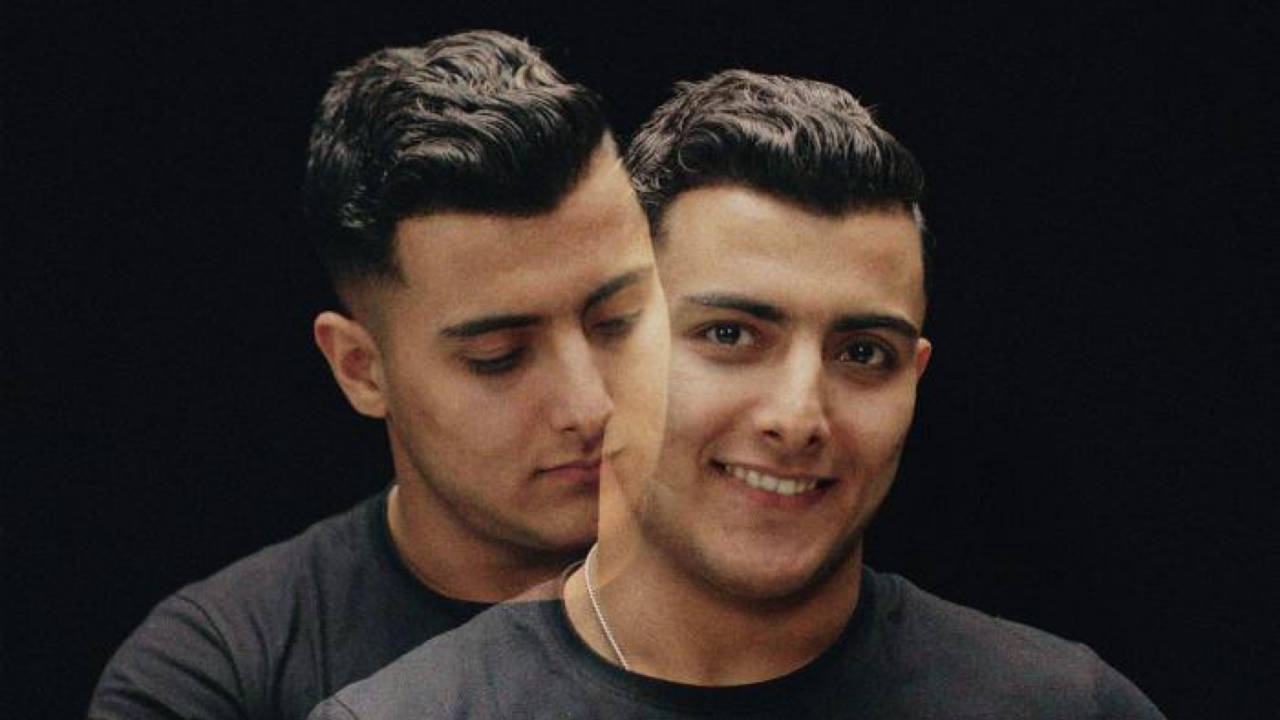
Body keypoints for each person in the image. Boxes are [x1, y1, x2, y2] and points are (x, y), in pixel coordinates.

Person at [308, 70, 1167, 719]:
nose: (797, 417)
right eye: (729, 336)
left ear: (915, 379)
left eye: (862, 353)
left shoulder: (1062, 706)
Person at [88, 30, 670, 720]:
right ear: (361, 370)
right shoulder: (222, 674)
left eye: (619, 320)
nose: (591, 404)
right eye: (499, 356)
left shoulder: (777, 578)